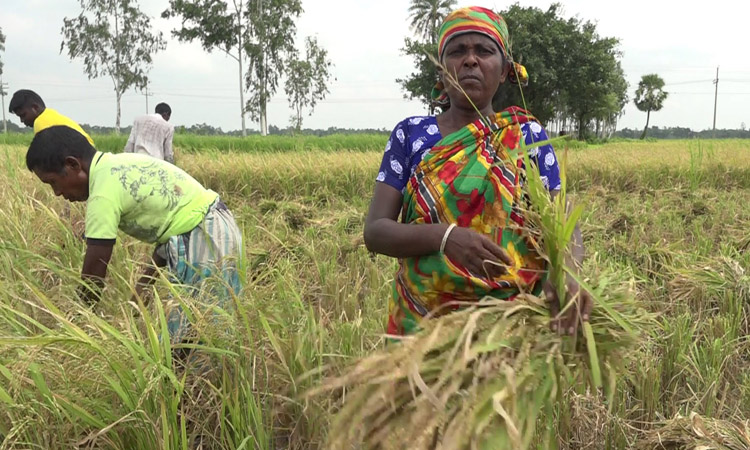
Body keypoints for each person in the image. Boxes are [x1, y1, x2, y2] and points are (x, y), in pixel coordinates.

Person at [363, 6, 592, 337]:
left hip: (508, 331)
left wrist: (569, 272)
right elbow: (376, 231)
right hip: (421, 331)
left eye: (484, 51)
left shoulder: (526, 137)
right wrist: (446, 238)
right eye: (457, 51)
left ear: (503, 71)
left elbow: (563, 220)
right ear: (442, 73)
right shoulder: (411, 135)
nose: (470, 60)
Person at [26, 126, 242, 343]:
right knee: (203, 327)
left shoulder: (102, 194)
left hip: (204, 236)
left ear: (73, 164)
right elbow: (172, 226)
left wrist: (75, 322)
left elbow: (94, 272)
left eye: (53, 182)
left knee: (195, 336)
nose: (57, 192)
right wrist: (142, 290)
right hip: (214, 227)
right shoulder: (114, 166)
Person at [9, 89, 94, 145]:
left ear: (35, 108)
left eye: (23, 115)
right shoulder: (51, 115)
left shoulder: (40, 122)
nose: (22, 120)